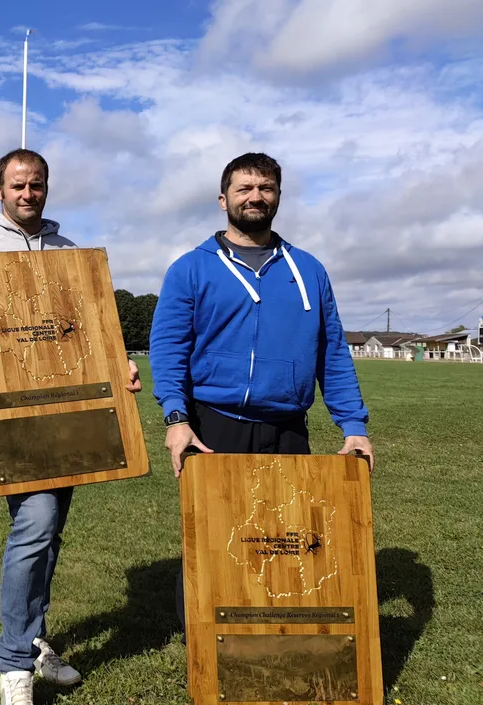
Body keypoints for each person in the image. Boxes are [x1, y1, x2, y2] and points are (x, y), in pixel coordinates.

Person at [0, 148, 141, 705]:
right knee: (36, 526)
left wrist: (120, 366)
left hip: (70, 413)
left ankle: (36, 640)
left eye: (37, 185)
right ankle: (14, 668)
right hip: (7, 415)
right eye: (18, 185)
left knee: (50, 529)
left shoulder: (71, 252)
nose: (28, 193)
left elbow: (96, 325)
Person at [150, 151, 375, 479]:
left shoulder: (309, 270)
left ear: (278, 197)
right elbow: (169, 349)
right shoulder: (189, 268)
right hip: (212, 425)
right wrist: (176, 418)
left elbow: (333, 354)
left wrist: (354, 426)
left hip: (288, 430)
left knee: (289, 529)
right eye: (244, 189)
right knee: (216, 530)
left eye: (266, 188)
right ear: (223, 200)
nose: (256, 197)